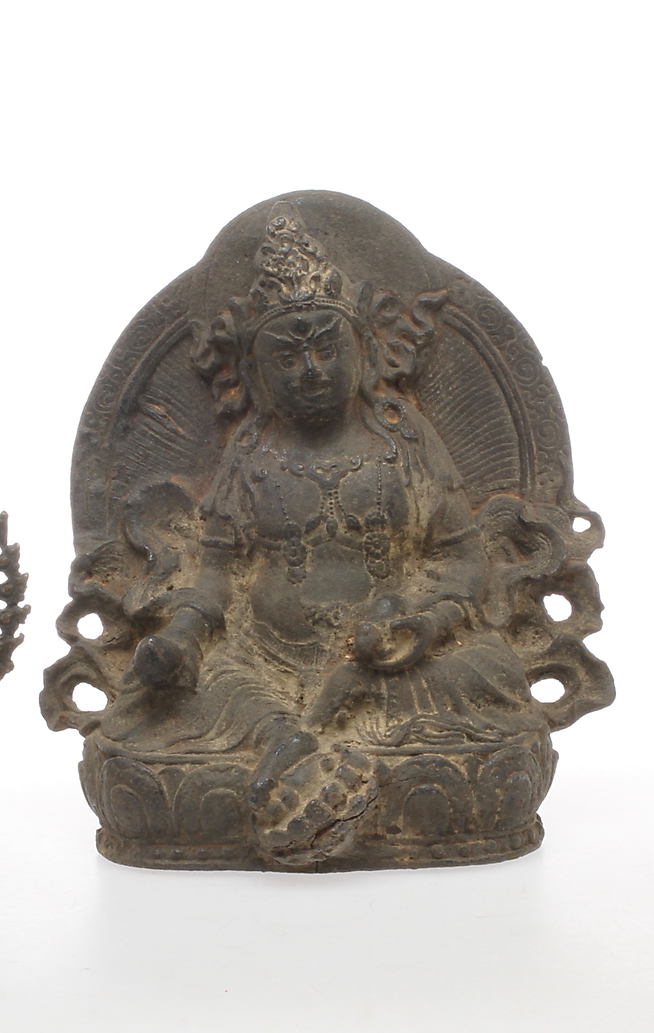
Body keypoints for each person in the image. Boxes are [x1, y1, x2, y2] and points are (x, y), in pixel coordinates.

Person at [99, 207, 543, 861]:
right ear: (255, 374)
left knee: (492, 674)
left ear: (365, 352)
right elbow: (217, 577)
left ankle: (301, 755)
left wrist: (424, 625)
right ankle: (282, 738)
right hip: (260, 659)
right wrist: (182, 639)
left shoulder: (404, 437)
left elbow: (462, 560)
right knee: (149, 713)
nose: (309, 368)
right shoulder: (249, 451)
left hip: (393, 664)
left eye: (326, 348)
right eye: (286, 356)